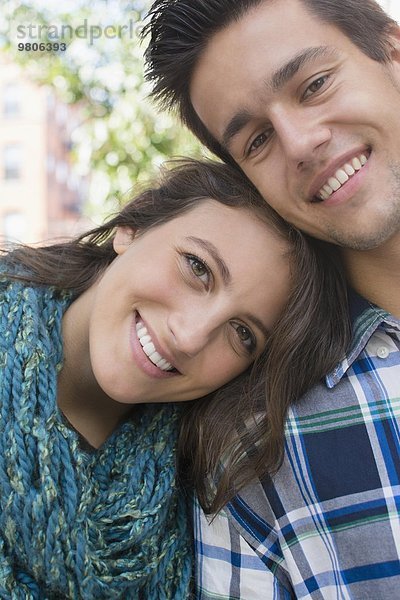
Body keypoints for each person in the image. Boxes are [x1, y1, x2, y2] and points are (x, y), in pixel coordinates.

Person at [143, 0, 400, 597]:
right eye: (256, 140)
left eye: (314, 85)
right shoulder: (255, 452)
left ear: (391, 50)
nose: (300, 143)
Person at [0, 158, 348, 598]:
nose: (189, 336)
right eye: (197, 267)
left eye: (242, 333)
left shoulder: (202, 501)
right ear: (132, 227)